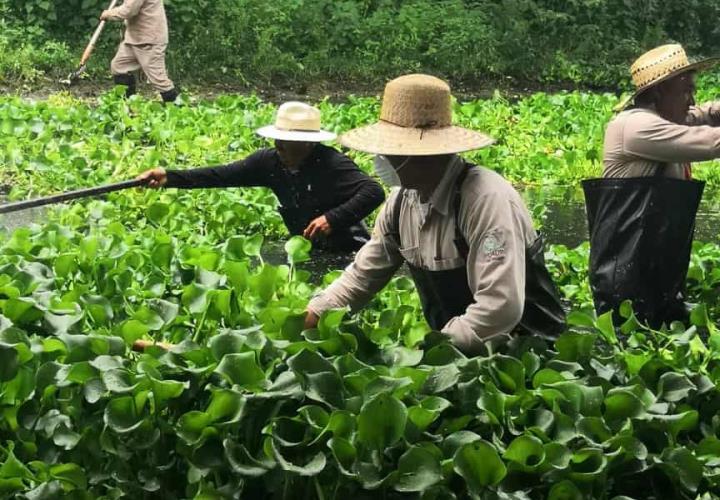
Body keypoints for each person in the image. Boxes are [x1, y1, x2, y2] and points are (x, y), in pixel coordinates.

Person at [304, 74, 565, 354]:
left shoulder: (485, 199)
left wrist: (426, 353)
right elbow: (363, 276)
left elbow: (500, 308)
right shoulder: (401, 202)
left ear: (420, 153)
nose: (379, 159)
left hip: (527, 357)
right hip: (454, 357)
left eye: (388, 151)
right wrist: (316, 313)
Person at [584, 44, 720, 326]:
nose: (691, 100)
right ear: (658, 92)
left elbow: (705, 114)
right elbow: (711, 142)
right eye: (685, 91)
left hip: (657, 280)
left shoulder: (664, 117)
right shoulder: (635, 127)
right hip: (625, 285)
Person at [137, 101, 385, 252]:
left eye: (288, 141)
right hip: (306, 247)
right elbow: (221, 175)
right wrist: (169, 177)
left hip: (349, 247)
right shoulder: (269, 162)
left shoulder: (332, 162)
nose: (279, 145)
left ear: (308, 144)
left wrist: (331, 219)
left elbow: (374, 191)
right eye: (278, 139)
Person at [100, 0, 179, 103]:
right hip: (134, 38)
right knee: (119, 66)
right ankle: (128, 105)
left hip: (150, 39)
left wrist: (108, 14)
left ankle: (180, 109)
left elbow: (128, 11)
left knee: (158, 79)